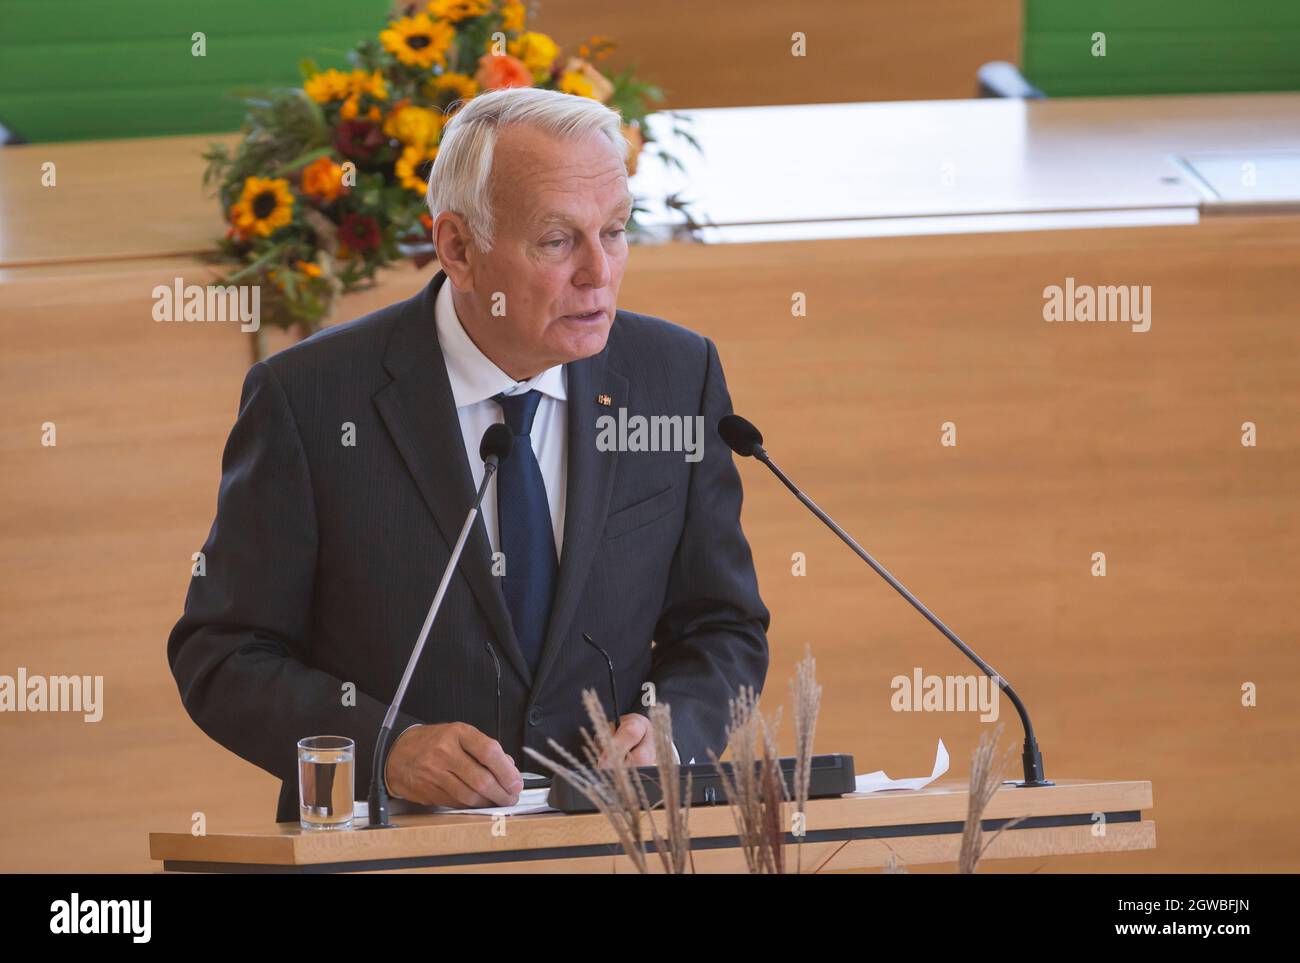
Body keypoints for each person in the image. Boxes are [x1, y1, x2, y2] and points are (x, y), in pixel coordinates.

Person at [168, 86, 769, 822]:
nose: (599, 271)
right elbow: (224, 652)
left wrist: (674, 734)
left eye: (614, 231)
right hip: (390, 854)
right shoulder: (312, 399)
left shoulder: (675, 376)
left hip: (612, 842)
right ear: (456, 246)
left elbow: (721, 625)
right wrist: (383, 749)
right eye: (557, 241)